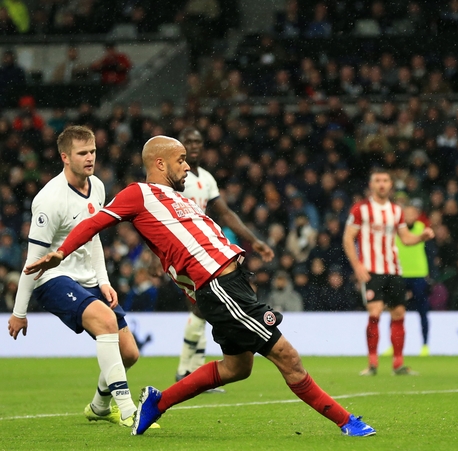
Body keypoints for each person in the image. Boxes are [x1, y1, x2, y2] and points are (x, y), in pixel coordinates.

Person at [25, 136, 375, 437]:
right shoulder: (138, 194)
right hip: (218, 286)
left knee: (238, 368)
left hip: (232, 283)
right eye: (181, 161)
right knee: (288, 357)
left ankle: (158, 402)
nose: (187, 168)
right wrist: (60, 252)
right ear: (159, 163)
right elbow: (94, 223)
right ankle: (346, 421)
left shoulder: (180, 198)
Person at [7, 125, 153, 429]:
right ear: (65, 157)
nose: (90, 158)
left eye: (93, 152)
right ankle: (129, 411)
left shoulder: (97, 187)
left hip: (89, 279)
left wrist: (103, 280)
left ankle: (99, 407)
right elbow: (33, 262)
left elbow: (94, 238)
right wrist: (19, 312)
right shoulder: (49, 201)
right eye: (82, 153)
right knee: (106, 322)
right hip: (53, 278)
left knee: (129, 353)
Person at [174, 127, 275, 393]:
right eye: (188, 141)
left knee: (203, 310)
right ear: (179, 147)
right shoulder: (173, 178)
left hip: (202, 250)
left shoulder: (205, 178)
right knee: (200, 309)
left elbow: (226, 213)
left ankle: (191, 368)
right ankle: (187, 369)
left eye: (198, 141)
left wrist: (254, 240)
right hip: (181, 249)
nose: (194, 145)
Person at [343, 168, 434, 376]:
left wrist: (422, 237)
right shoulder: (360, 209)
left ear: (391, 185)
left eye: (385, 180)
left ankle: (398, 364)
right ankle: (373, 364)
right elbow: (348, 238)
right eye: (377, 180)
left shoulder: (396, 210)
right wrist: (357, 265)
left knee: (399, 313)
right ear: (371, 185)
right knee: (375, 312)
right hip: (371, 270)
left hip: (393, 269)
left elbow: (405, 238)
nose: (382, 184)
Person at [394, 200, 432, 356]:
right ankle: (394, 346)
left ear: (417, 215)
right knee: (396, 311)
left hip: (418, 275)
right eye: (406, 214)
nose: (409, 216)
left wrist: (431, 273)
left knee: (422, 310)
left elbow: (431, 252)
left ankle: (425, 345)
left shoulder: (423, 229)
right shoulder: (396, 231)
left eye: (412, 213)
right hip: (400, 274)